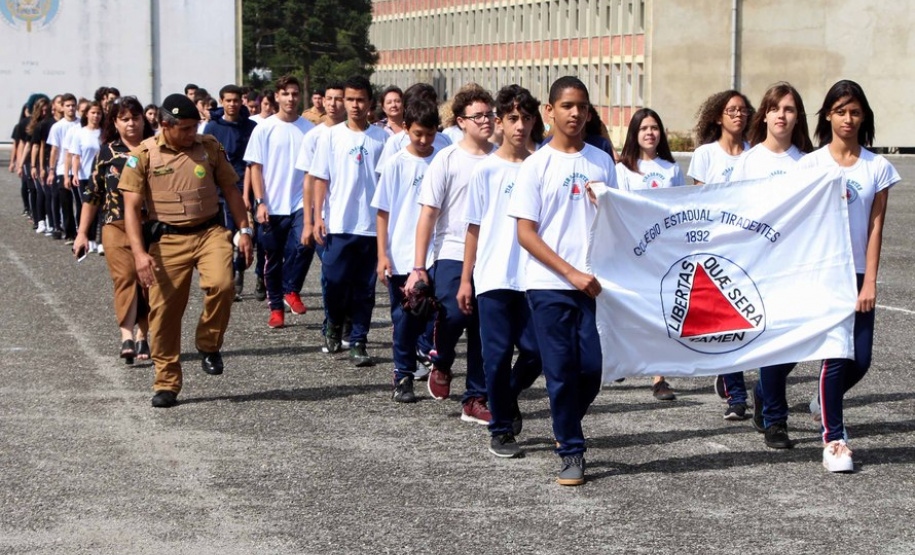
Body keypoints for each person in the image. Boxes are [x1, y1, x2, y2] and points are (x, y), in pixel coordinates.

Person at [508, 76, 616, 486]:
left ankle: (564, 420)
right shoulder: (536, 165)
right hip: (549, 283)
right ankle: (571, 449)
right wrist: (569, 271)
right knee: (560, 369)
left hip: (594, 285)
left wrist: (603, 208)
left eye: (582, 106)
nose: (575, 113)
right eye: (567, 106)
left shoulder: (602, 161)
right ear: (549, 112)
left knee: (591, 369)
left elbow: (618, 221)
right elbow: (525, 233)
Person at [119, 93, 254, 408]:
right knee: (164, 314)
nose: (193, 133)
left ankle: (208, 343)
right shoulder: (143, 155)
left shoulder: (209, 148)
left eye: (195, 126)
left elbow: (232, 191)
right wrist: (140, 255)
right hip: (167, 241)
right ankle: (166, 382)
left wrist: (244, 229)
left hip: (209, 232)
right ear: (165, 125)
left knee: (222, 285)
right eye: (186, 128)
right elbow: (131, 209)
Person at [802, 81, 900, 472]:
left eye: (855, 112)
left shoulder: (877, 167)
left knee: (861, 359)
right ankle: (834, 441)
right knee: (836, 356)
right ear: (827, 114)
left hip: (859, 272)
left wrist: (870, 280)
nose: (848, 118)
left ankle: (822, 403)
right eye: (840, 110)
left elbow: (876, 227)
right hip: (824, 272)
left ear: (864, 117)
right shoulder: (810, 165)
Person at [404, 84, 495, 422]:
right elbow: (427, 214)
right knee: (455, 314)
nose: (486, 121)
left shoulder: (501, 158)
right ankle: (441, 358)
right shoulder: (447, 159)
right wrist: (418, 266)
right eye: (479, 116)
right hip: (452, 250)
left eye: (490, 114)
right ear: (461, 121)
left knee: (484, 326)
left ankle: (475, 397)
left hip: (490, 254)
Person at [730, 82, 813, 450]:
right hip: (761, 267)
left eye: (790, 109)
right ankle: (776, 422)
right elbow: (734, 210)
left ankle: (763, 390)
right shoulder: (749, 160)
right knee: (773, 343)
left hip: (799, 265)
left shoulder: (808, 162)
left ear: (798, 117)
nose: (782, 115)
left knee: (798, 343)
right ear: (764, 114)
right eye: (776, 108)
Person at [462, 84, 543, 457]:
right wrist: (466, 278)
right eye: (512, 118)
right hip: (494, 275)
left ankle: (506, 398)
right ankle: (500, 430)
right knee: (494, 357)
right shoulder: (486, 171)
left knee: (536, 352)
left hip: (535, 276)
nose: (520, 126)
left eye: (526, 118)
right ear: (499, 121)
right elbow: (474, 227)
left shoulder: (542, 165)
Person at [687, 89, 755, 419]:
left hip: (748, 248)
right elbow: (698, 203)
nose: (738, 115)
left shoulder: (756, 155)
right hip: (715, 249)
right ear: (718, 116)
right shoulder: (705, 155)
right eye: (731, 110)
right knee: (726, 324)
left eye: (743, 110)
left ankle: (746, 383)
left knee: (753, 322)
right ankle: (737, 395)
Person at [311, 75, 388, 366]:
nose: (355, 105)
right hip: (339, 223)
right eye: (350, 99)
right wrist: (318, 216)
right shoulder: (330, 135)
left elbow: (386, 183)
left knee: (365, 289)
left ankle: (358, 340)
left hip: (370, 225)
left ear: (370, 103)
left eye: (360, 100)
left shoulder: (382, 138)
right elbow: (321, 178)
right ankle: (332, 322)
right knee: (334, 281)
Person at [73, 96, 155, 363]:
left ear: (144, 119)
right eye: (125, 119)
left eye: (136, 117)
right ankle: (126, 336)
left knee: (149, 283)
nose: (131, 123)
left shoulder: (156, 149)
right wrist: (82, 233)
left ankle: (144, 337)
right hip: (115, 225)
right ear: (116, 123)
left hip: (150, 226)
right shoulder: (107, 152)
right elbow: (92, 194)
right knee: (125, 277)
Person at [372, 98, 440, 401]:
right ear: (407, 131)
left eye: (429, 134)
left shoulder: (443, 160)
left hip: (438, 254)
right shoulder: (396, 163)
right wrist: (382, 254)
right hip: (401, 255)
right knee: (404, 318)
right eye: (417, 134)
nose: (424, 141)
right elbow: (383, 212)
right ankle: (403, 375)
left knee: (439, 315)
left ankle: (436, 363)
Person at [615, 107, 684, 401]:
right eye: (644, 128)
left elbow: (681, 208)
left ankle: (659, 377)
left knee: (662, 311)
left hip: (664, 251)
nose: (650, 133)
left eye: (654, 127)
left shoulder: (672, 169)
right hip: (633, 250)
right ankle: (619, 357)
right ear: (635, 133)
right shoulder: (622, 170)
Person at [244, 75, 316, 328]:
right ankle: (276, 307)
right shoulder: (264, 128)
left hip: (299, 203)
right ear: (277, 96)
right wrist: (260, 201)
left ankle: (291, 288)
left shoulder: (309, 129)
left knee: (305, 245)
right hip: (271, 204)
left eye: (295, 93)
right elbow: (255, 167)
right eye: (285, 93)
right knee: (272, 258)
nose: (291, 98)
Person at [295, 82, 346, 347]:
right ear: (323, 102)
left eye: (340, 99)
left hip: (353, 220)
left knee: (353, 278)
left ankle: (348, 323)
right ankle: (331, 323)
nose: (334, 104)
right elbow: (309, 180)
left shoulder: (360, 133)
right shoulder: (314, 136)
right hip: (325, 218)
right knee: (330, 274)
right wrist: (309, 220)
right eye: (330, 98)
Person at [205, 84, 258, 300]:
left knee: (247, 234)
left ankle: (240, 269)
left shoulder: (251, 127)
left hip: (245, 187)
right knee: (225, 235)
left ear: (241, 102)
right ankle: (229, 278)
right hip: (219, 190)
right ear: (222, 102)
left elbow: (254, 161)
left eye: (236, 100)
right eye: (228, 100)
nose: (232, 104)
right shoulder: (212, 128)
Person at [68, 101, 103, 249]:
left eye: (98, 113)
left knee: (102, 208)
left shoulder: (105, 133)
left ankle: (100, 240)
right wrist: (74, 174)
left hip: (101, 175)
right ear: (87, 114)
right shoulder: (80, 133)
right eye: (93, 112)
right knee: (88, 206)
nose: (96, 116)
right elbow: (76, 156)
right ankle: (89, 238)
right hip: (85, 176)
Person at [46, 93, 80, 240]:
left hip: (79, 169)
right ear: (63, 107)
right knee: (65, 202)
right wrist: (51, 170)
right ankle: (70, 232)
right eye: (68, 105)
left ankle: (81, 229)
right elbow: (55, 149)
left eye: (73, 105)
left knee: (80, 202)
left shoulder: (81, 124)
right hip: (62, 168)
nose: (71, 108)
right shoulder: (57, 127)